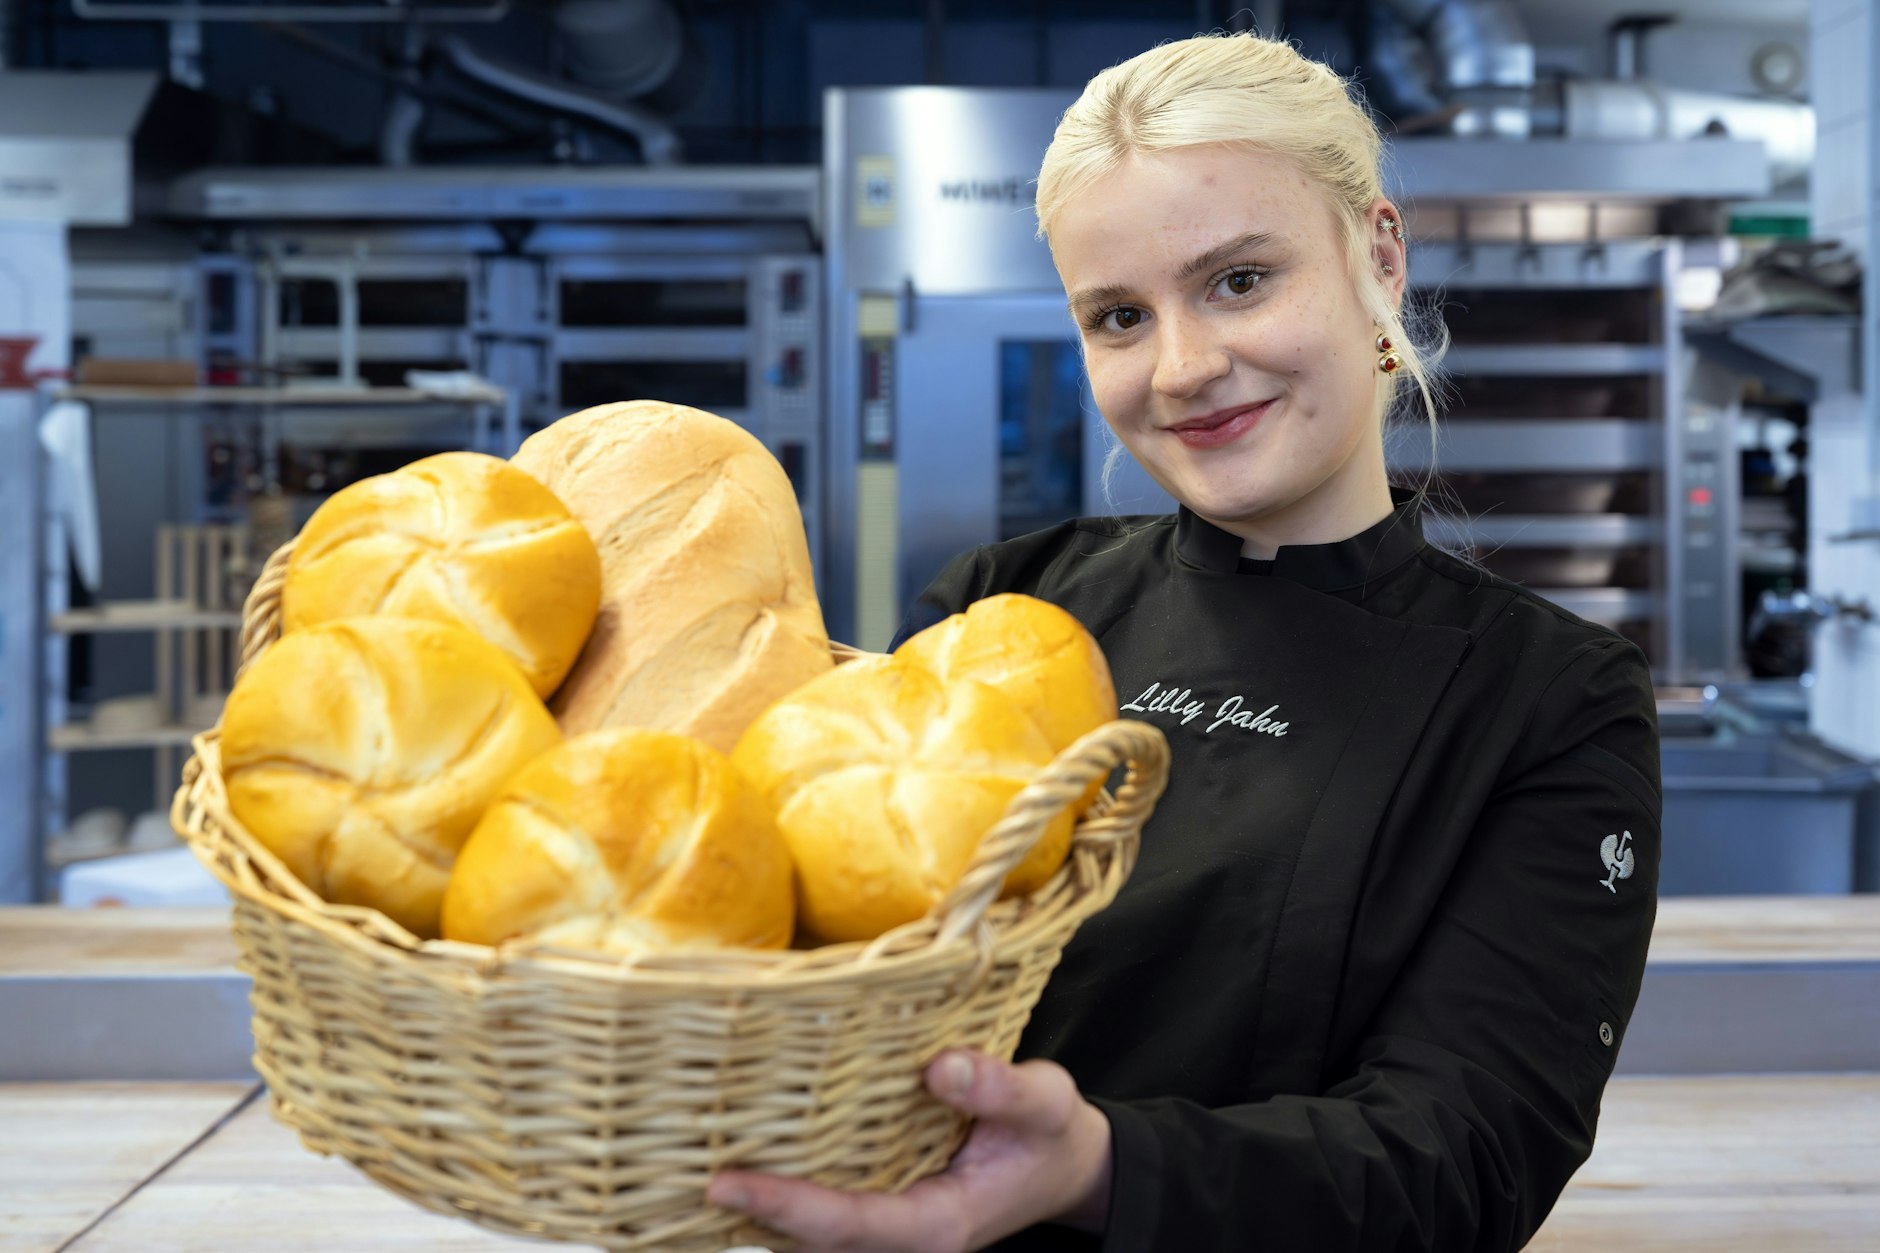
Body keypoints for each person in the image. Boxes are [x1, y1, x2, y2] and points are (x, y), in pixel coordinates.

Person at [708, 30, 1660, 1253]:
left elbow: (1464, 1157)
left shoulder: (1547, 698)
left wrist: (1094, 1167)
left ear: (1374, 253)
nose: (1184, 367)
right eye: (1117, 315)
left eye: (1238, 280)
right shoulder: (1006, 607)